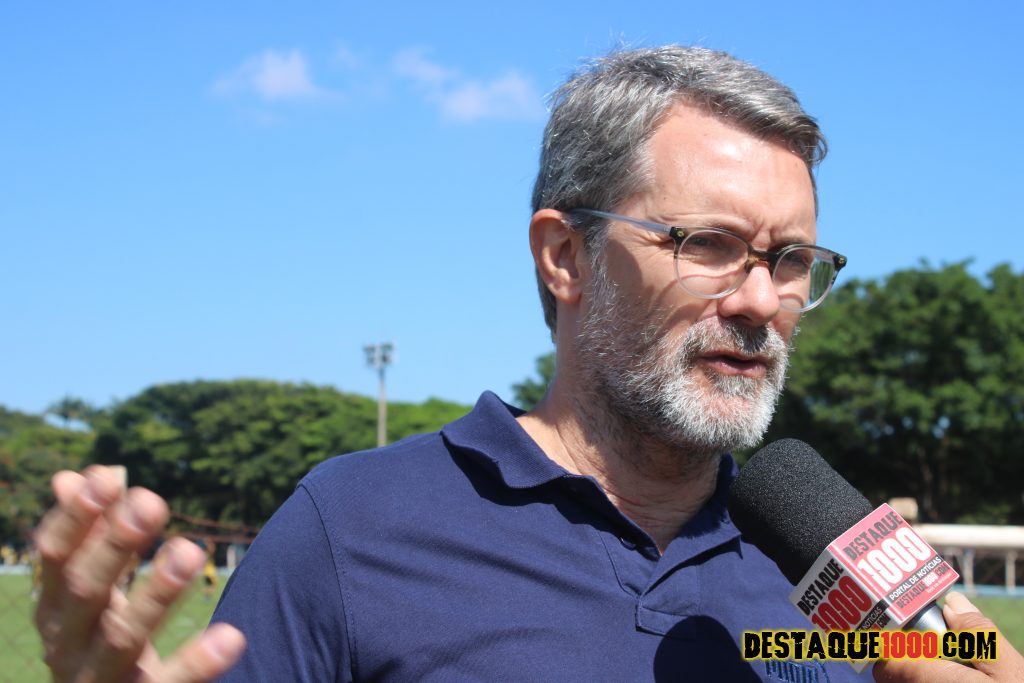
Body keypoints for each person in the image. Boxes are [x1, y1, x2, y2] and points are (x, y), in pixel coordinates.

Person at [32, 46, 1024, 682]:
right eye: (710, 244)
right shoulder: (352, 528)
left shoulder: (832, 577)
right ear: (564, 256)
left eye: (791, 259)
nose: (762, 301)